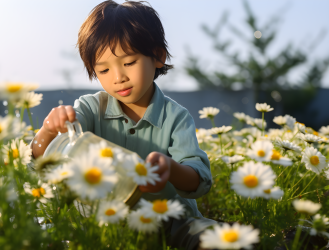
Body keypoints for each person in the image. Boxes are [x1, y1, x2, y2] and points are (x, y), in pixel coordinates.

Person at [31, 1, 215, 249]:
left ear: (158, 56)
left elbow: (199, 179)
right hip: (105, 222)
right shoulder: (90, 108)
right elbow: (42, 155)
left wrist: (171, 170)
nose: (118, 78)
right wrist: (50, 129)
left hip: (169, 220)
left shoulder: (176, 117)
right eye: (104, 70)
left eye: (129, 63)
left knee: (211, 236)